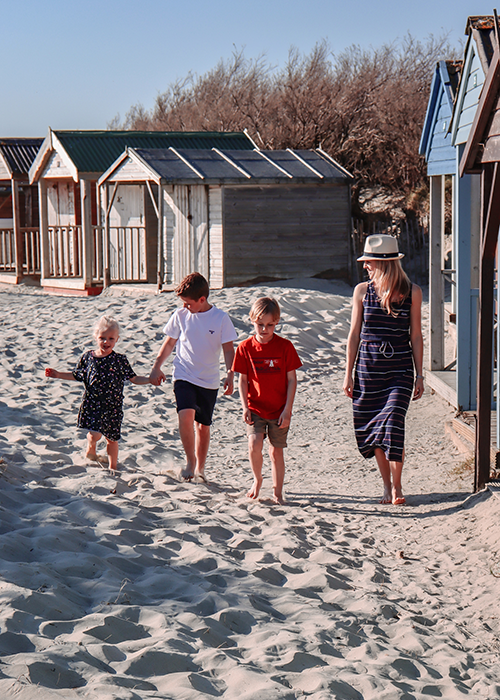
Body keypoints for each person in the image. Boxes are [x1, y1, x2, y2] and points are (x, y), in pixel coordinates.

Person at [343, 234, 424, 505]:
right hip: (368, 369)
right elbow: (354, 334)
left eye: (369, 262)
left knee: (393, 423)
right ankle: (386, 487)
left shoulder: (412, 292)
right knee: (373, 428)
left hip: (400, 369)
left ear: (384, 263)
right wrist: (348, 373)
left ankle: (398, 486)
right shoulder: (362, 291)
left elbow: (416, 335)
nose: (365, 266)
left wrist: (420, 374)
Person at [150, 272, 237, 482]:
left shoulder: (220, 318)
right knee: (185, 417)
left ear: (202, 300)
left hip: (209, 379)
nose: (184, 307)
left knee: (203, 426)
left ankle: (200, 467)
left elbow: (228, 349)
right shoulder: (180, 316)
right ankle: (190, 462)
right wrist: (157, 366)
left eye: (188, 303)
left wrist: (230, 374)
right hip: (184, 374)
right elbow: (170, 343)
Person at [45, 316, 152, 471]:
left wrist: (149, 379)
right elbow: (77, 375)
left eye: (110, 339)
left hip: (113, 406)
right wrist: (58, 374)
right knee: (95, 435)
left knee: (112, 439)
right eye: (102, 338)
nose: (106, 342)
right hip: (93, 403)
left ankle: (113, 468)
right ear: (96, 337)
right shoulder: (88, 358)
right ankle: (91, 444)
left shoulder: (120, 360)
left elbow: (134, 378)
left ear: (117, 340)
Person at [232, 297, 302, 504]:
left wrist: (287, 410)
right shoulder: (245, 348)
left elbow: (292, 380)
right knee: (254, 444)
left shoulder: (285, 347)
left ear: (277, 322)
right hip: (255, 407)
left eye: (270, 325)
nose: (264, 329)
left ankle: (278, 491)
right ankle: (257, 479)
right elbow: (242, 381)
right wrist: (244, 406)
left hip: (279, 409)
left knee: (276, 451)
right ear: (252, 321)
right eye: (260, 324)